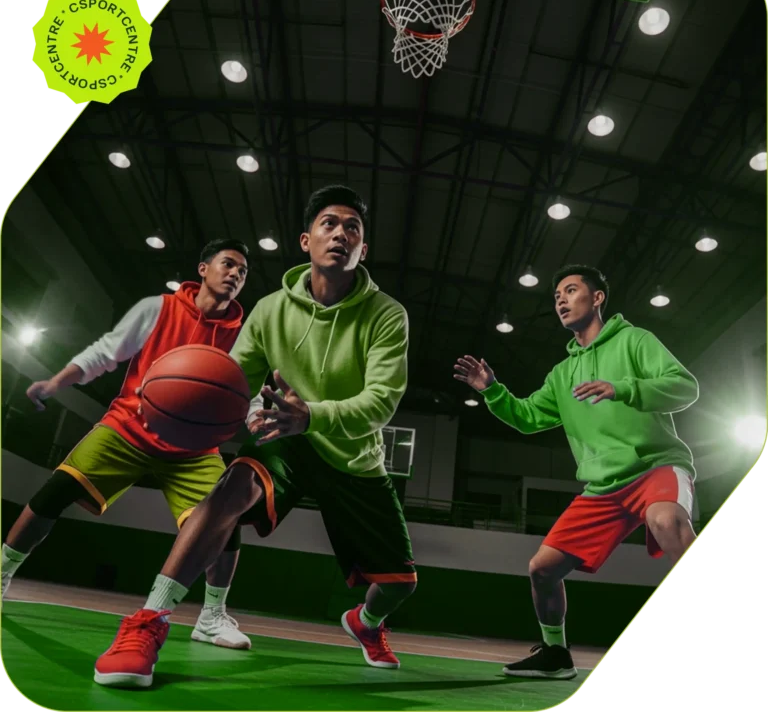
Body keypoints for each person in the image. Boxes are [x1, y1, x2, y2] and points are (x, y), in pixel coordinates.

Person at [93, 184, 416, 689]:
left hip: (353, 456)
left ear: (363, 249)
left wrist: (312, 414)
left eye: (352, 227)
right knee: (229, 492)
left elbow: (382, 401)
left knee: (401, 584)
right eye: (329, 223)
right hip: (285, 435)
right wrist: (223, 415)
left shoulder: (387, 315)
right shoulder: (269, 309)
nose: (341, 233)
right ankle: (148, 622)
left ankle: (365, 622)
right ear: (305, 240)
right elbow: (232, 380)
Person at [1, 239, 254, 655]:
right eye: (228, 264)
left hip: (194, 446)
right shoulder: (158, 307)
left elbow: (248, 391)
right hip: (130, 425)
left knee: (225, 521)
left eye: (243, 272)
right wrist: (55, 383)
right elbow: (106, 352)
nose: (235, 275)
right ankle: (2, 575)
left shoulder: (242, 338)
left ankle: (211, 617)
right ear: (204, 268)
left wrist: (266, 413)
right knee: (56, 490)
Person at [454, 264, 699, 680]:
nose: (561, 301)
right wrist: (492, 390)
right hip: (603, 487)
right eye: (556, 297)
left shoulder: (635, 341)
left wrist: (623, 388)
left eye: (570, 291)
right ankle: (555, 654)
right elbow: (529, 417)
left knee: (665, 519)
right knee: (542, 569)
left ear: (597, 297)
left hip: (655, 466)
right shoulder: (562, 374)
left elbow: (685, 386)